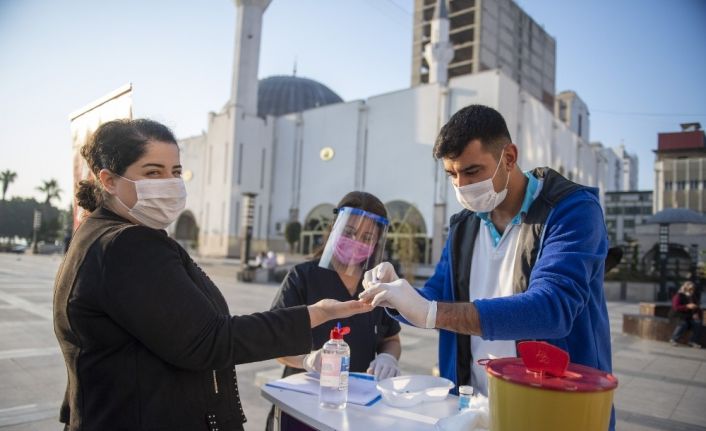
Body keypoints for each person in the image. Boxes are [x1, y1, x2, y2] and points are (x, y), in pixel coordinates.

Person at [53, 119, 370, 431]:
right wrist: (314, 315)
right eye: (153, 172)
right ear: (109, 180)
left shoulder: (96, 233)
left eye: (175, 171)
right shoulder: (128, 244)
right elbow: (210, 341)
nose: (170, 183)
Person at [360, 104, 615, 429]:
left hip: (555, 407)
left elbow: (553, 308)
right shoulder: (463, 226)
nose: (462, 186)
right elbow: (437, 296)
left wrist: (432, 311)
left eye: (472, 171)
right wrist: (398, 292)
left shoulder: (571, 211)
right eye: (452, 174)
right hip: (475, 405)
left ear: (509, 157)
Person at [267, 191, 402, 430]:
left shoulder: (376, 287)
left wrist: (388, 356)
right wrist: (308, 360)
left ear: (376, 244)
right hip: (301, 407)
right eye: (349, 233)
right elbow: (276, 345)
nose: (356, 242)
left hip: (356, 411)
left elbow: (391, 338)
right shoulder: (303, 278)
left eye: (366, 237)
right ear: (334, 228)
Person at [669, 281, 703, 348]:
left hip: (688, 316)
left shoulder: (693, 297)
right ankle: (673, 339)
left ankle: (693, 341)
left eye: (693, 289)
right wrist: (687, 306)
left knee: (697, 323)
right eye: (690, 289)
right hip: (677, 316)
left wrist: (696, 313)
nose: (692, 290)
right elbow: (676, 307)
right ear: (685, 288)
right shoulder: (678, 296)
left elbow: (696, 307)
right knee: (683, 324)